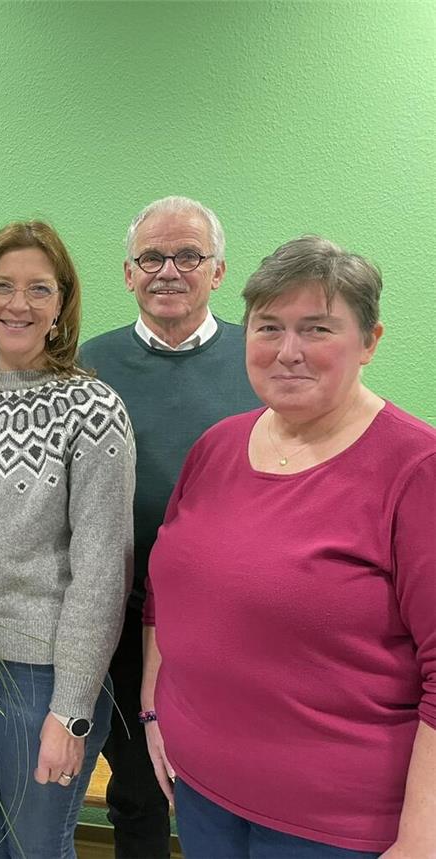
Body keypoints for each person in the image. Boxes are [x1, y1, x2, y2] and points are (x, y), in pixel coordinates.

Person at [142, 236, 436, 858]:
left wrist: (422, 839)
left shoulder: (417, 470)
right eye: (269, 327)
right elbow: (167, 593)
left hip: (335, 825)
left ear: (370, 342)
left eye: (317, 328)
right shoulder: (218, 446)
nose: (288, 351)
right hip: (201, 794)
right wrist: (153, 706)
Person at [0, 221, 135, 859]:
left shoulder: (93, 410)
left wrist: (70, 710)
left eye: (38, 289)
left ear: (61, 305)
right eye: (1, 286)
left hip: (43, 671)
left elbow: (101, 572)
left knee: (34, 848)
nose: (17, 304)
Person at [78, 196, 258, 858]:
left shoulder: (260, 355)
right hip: (124, 616)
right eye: (151, 257)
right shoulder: (88, 365)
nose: (169, 271)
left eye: (188, 255)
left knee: (241, 778)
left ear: (219, 271)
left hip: (237, 617)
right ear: (128, 273)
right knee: (137, 787)